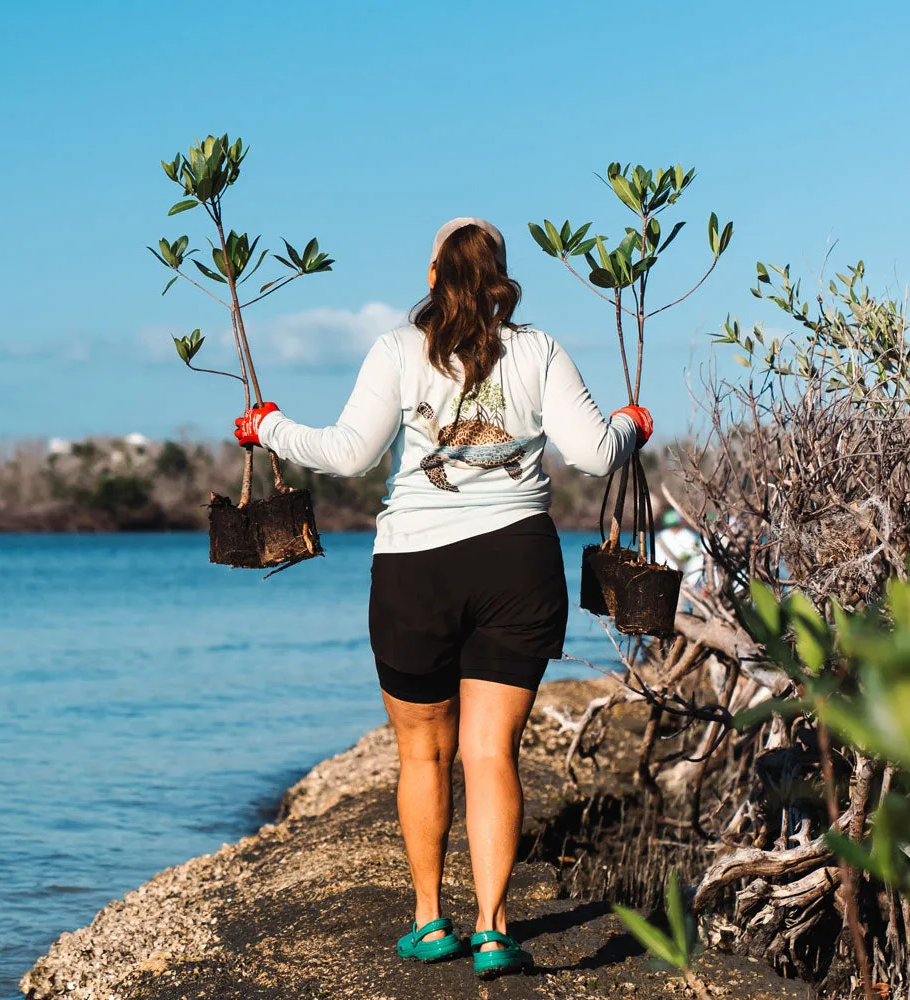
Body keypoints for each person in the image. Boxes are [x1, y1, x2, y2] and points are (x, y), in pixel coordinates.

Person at [233, 218, 652, 980]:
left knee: (423, 753)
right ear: (500, 278)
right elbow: (595, 456)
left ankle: (430, 922)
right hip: (516, 567)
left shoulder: (397, 349)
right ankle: (493, 929)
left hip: (414, 572)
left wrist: (271, 428)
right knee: (491, 753)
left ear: (432, 275)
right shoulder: (539, 348)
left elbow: (348, 454)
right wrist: (629, 424)